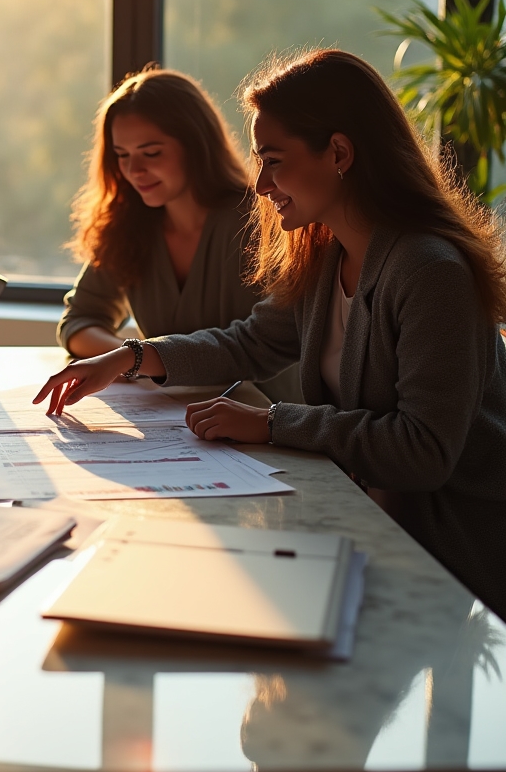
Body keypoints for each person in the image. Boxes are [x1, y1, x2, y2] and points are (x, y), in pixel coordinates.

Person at [36, 48, 506, 620]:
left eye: (274, 161)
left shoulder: (430, 271)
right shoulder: (324, 254)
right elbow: (249, 343)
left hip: (456, 561)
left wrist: (271, 423)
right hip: (375, 523)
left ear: (339, 153)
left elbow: (422, 452)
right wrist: (132, 356)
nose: (259, 184)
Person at [60, 66, 298, 403]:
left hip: (262, 415)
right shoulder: (128, 226)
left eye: (151, 153)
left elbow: (260, 344)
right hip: (169, 417)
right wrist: (133, 360)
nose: (134, 170)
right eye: (122, 155)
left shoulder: (266, 221)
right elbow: (79, 321)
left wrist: (137, 358)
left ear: (196, 145)